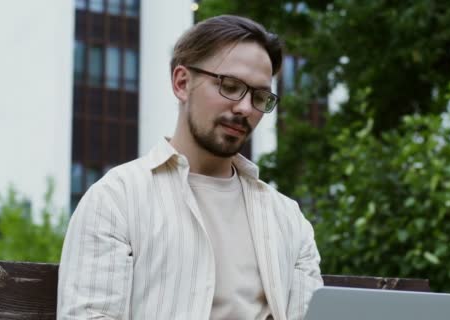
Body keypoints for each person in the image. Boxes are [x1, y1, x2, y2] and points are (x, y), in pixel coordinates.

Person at [57, 15, 322, 320]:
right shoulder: (117, 199)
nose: (245, 108)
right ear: (182, 83)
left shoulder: (289, 220)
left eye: (259, 97)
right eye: (231, 86)